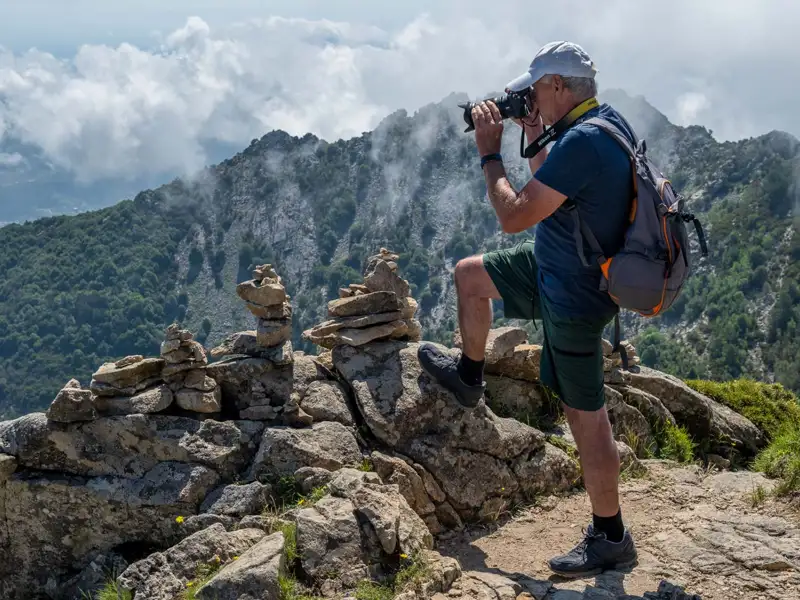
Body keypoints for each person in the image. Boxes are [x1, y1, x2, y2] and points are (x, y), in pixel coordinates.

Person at [418, 41, 639, 577]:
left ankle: (610, 535)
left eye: (537, 89)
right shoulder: (603, 123)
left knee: (586, 417)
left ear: (558, 87)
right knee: (470, 276)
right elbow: (551, 181)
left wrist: (490, 152)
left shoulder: (586, 142)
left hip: (575, 295)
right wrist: (534, 132)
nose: (529, 97)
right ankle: (470, 375)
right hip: (552, 267)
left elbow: (515, 215)